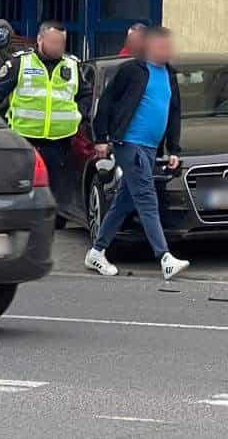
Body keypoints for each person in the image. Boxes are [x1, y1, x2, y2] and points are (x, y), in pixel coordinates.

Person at [83, 26, 189, 281]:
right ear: (150, 46)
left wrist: (173, 148)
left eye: (169, 46)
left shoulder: (169, 75)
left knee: (124, 202)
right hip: (129, 144)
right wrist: (101, 138)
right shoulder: (133, 71)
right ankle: (164, 257)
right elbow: (106, 102)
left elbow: (173, 113)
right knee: (146, 196)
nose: (167, 50)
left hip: (151, 148)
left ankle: (96, 252)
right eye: (162, 45)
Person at [0, 21, 92, 207]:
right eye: (53, 42)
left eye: (61, 43)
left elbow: (86, 94)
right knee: (23, 192)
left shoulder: (72, 65)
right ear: (40, 39)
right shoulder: (20, 63)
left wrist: (79, 113)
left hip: (60, 142)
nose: (57, 47)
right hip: (25, 139)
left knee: (52, 197)